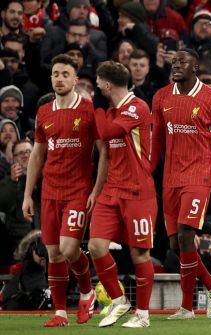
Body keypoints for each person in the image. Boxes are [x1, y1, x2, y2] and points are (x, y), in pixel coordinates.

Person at [22, 54, 105, 327]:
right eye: (56, 74)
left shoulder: (88, 110)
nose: (59, 78)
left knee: (70, 249)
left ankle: (87, 292)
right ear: (51, 78)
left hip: (78, 190)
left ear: (75, 79)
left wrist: (96, 188)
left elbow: (102, 150)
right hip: (49, 191)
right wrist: (27, 194)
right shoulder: (44, 111)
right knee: (54, 254)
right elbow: (37, 154)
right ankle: (60, 313)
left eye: (65, 74)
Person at [152, 49, 211, 320]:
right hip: (170, 179)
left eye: (183, 61)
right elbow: (157, 139)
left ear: (195, 66)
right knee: (175, 245)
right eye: (174, 62)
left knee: (186, 235)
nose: (176, 65)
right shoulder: (161, 96)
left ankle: (186, 308)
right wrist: (147, 172)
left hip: (199, 176)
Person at [86, 61, 156, 328]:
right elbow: (106, 150)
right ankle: (118, 300)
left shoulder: (137, 107)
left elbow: (105, 132)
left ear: (106, 84)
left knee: (140, 254)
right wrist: (97, 190)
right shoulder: (114, 110)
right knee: (95, 246)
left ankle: (143, 314)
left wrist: (96, 108)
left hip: (138, 192)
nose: (95, 86)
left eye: (97, 82)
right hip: (111, 190)